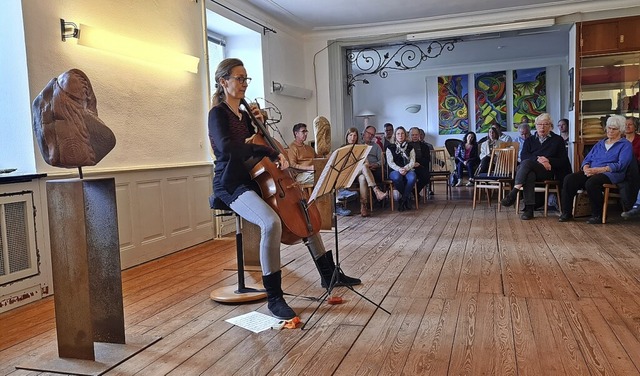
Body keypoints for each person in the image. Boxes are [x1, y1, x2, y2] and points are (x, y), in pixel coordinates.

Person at [208, 58, 360, 320]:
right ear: (224, 82)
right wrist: (265, 147)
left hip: (257, 179)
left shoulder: (244, 117)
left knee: (304, 212)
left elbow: (257, 146)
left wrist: (259, 127)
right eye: (239, 78)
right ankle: (274, 297)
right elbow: (227, 149)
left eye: (247, 79)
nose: (244, 83)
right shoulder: (218, 114)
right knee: (271, 223)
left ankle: (329, 275)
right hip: (231, 183)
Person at [558, 115, 633, 224]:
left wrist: (599, 170)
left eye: (614, 129)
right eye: (609, 128)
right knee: (570, 179)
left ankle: (598, 215)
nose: (610, 131)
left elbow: (621, 164)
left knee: (592, 183)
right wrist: (586, 167)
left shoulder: (625, 145)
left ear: (620, 131)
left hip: (611, 174)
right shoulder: (600, 143)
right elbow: (587, 158)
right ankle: (566, 213)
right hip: (592, 171)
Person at [500, 113, 572, 220]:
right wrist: (539, 159)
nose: (542, 127)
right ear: (536, 125)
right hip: (531, 170)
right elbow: (524, 156)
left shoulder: (557, 140)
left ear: (550, 126)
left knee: (526, 164)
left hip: (548, 171)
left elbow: (563, 161)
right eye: (539, 124)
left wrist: (548, 160)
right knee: (529, 173)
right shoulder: (530, 140)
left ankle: (514, 192)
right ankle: (529, 211)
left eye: (545, 124)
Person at [344, 127, 388, 217]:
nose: (352, 138)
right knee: (364, 168)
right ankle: (376, 190)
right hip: (348, 174)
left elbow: (367, 162)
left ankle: (363, 206)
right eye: (351, 135)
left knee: (363, 177)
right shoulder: (343, 148)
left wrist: (369, 165)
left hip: (360, 172)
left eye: (354, 136)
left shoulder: (361, 147)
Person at [385, 126, 417, 211]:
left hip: (408, 169)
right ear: (395, 135)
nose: (400, 135)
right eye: (398, 133)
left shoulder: (410, 147)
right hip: (395, 170)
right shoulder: (390, 147)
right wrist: (399, 169)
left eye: (402, 133)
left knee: (412, 177)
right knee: (396, 177)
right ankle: (407, 198)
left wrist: (406, 168)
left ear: (405, 135)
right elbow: (390, 162)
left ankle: (402, 200)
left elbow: (412, 161)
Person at [408, 127, 431, 198]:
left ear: (419, 135)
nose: (415, 136)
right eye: (413, 135)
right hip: (408, 167)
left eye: (416, 135)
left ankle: (415, 191)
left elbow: (427, 159)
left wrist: (418, 163)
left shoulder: (425, 146)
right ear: (409, 135)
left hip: (420, 166)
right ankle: (407, 194)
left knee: (426, 176)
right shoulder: (405, 146)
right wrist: (412, 164)